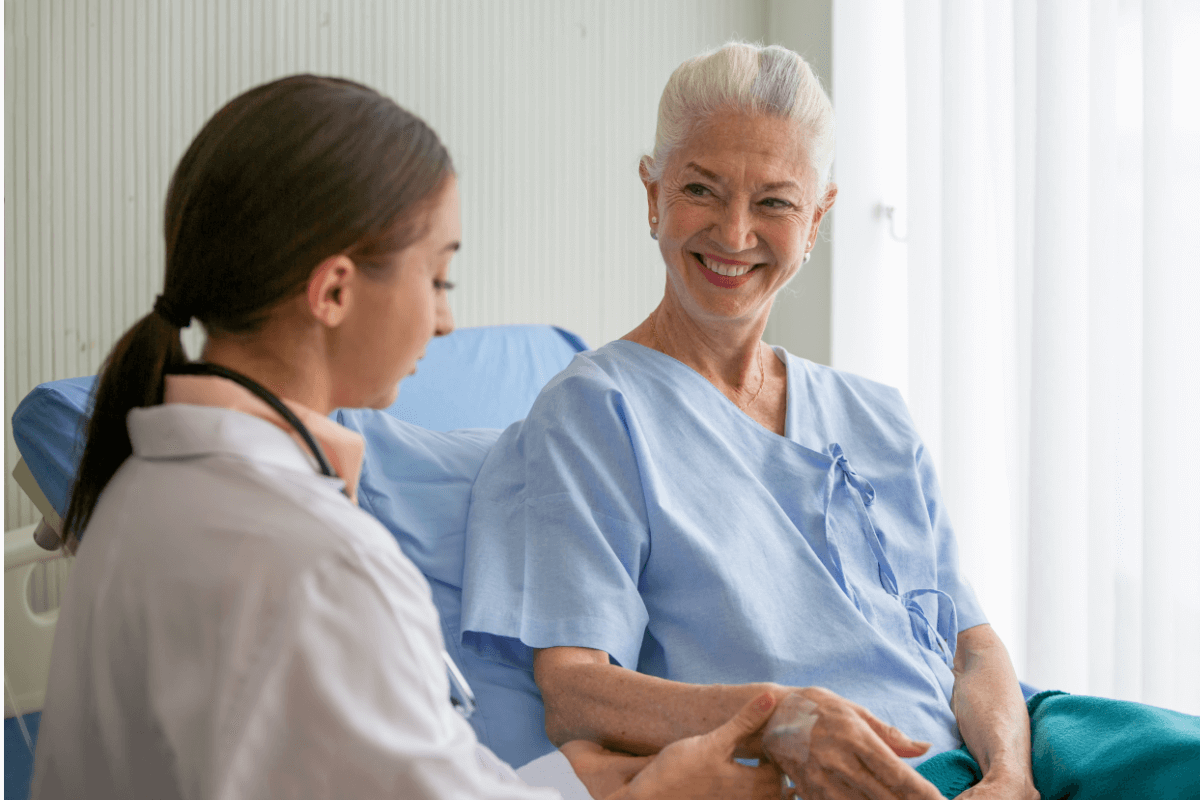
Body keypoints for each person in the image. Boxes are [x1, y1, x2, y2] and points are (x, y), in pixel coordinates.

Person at [460, 42, 1200, 800]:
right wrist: (780, 717)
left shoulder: (874, 414)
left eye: (775, 202)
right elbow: (577, 691)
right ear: (652, 195)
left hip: (1025, 742)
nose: (735, 233)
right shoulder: (594, 411)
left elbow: (972, 649)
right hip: (857, 777)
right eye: (701, 189)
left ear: (817, 220)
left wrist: (1011, 775)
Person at [29, 74, 786, 800]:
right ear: (334, 291)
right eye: (438, 279)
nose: (446, 319)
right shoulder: (318, 561)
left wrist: (577, 788)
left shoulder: (138, 491)